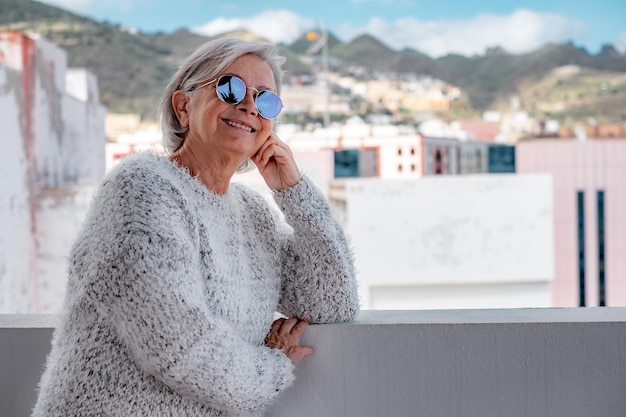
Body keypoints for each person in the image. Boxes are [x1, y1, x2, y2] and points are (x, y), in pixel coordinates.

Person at [32, 38, 359, 417]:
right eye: (230, 87)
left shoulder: (253, 213)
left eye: (266, 98)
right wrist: (274, 365)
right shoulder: (142, 187)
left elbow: (333, 303)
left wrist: (294, 191)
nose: (249, 105)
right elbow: (179, 347)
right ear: (184, 106)